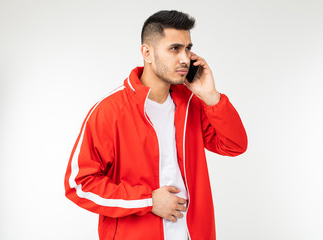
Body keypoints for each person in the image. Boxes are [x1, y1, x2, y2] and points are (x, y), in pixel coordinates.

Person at [64, 10, 247, 240]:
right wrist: (148, 201)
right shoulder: (110, 111)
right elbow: (79, 184)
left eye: (187, 48)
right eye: (174, 48)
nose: (185, 58)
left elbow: (235, 145)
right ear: (147, 52)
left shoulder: (192, 104)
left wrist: (211, 96)